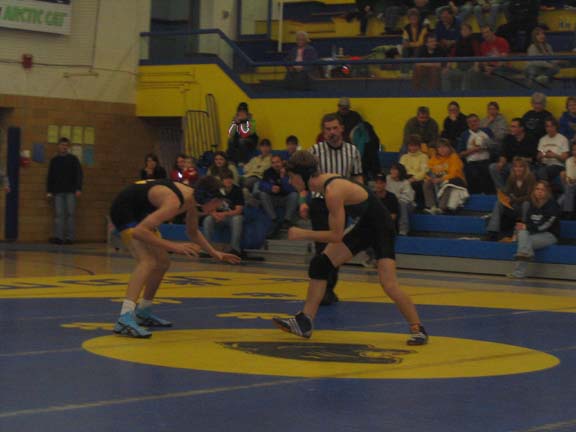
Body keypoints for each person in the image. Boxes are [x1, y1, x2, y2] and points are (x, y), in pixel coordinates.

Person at [272, 151, 428, 345]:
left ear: (301, 176)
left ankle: (418, 329)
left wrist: (303, 234)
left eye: (291, 176)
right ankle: (304, 321)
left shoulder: (332, 192)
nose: (289, 181)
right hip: (365, 226)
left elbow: (335, 236)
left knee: (389, 284)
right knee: (320, 264)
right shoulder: (324, 184)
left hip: (382, 229)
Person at [109, 176, 240, 338]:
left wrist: (214, 253)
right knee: (148, 261)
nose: (219, 207)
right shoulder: (174, 202)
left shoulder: (192, 198)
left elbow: (192, 232)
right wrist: (174, 246)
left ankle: (143, 311)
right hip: (125, 212)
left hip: (140, 212)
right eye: (217, 202)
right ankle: (125, 317)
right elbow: (139, 232)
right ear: (208, 199)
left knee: (163, 262)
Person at [300, 113, 363, 306]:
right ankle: (322, 289)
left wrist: (360, 204)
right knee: (322, 249)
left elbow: (358, 179)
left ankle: (329, 288)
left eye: (335, 128)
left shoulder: (352, 151)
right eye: (327, 129)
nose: (332, 132)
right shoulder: (315, 151)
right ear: (323, 131)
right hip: (320, 204)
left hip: (341, 205)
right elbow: (303, 179)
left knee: (335, 249)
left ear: (342, 128)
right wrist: (303, 201)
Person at [508, 180, 560, 279]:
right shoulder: (531, 204)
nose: (539, 191)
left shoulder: (553, 205)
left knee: (524, 242)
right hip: (534, 234)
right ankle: (526, 254)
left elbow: (545, 226)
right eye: (537, 189)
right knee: (522, 233)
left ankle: (518, 272)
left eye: (543, 190)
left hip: (549, 235)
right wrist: (521, 227)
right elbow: (528, 223)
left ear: (547, 192)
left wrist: (527, 227)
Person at [484, 158, 535, 241]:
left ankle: (524, 230)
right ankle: (492, 231)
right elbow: (507, 192)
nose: (518, 169)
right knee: (499, 203)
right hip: (514, 207)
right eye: (516, 167)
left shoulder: (530, 177)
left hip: (526, 208)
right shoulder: (511, 178)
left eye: (520, 167)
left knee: (526, 203)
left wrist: (515, 200)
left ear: (525, 168)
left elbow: (530, 196)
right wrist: (505, 196)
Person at [46, 137, 83, 245]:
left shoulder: (73, 159)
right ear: (58, 146)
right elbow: (50, 176)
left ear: (68, 147)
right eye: (62, 145)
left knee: (70, 214)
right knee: (59, 215)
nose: (64, 147)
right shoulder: (54, 160)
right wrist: (49, 191)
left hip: (71, 191)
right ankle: (59, 237)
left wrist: (78, 188)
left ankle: (70, 238)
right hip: (58, 192)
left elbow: (79, 174)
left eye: (66, 145)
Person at [203, 170, 245, 257]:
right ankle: (207, 249)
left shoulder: (237, 190)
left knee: (237, 219)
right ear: (221, 181)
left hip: (231, 217)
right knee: (208, 220)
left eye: (230, 179)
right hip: (219, 217)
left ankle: (235, 249)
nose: (228, 181)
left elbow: (239, 210)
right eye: (226, 179)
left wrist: (224, 214)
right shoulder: (216, 190)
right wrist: (215, 215)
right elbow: (209, 208)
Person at [489, 118, 539, 190]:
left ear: (521, 128)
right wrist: (501, 163)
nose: (511, 129)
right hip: (510, 164)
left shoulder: (530, 138)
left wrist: (521, 160)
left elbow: (534, 158)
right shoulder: (508, 138)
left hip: (526, 165)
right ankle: (503, 191)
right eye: (511, 126)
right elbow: (503, 154)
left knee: (516, 168)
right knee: (493, 167)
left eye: (513, 127)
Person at [258, 154, 299, 237]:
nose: (275, 164)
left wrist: (283, 178)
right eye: (273, 163)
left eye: (277, 162)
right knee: (262, 194)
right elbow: (261, 185)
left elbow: (293, 188)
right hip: (273, 198)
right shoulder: (268, 172)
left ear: (282, 162)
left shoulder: (290, 172)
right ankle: (274, 220)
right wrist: (271, 188)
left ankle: (287, 221)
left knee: (294, 195)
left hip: (285, 199)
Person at [424, 139, 468, 214]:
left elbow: (454, 174)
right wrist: (430, 179)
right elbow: (427, 171)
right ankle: (432, 207)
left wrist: (441, 179)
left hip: (455, 180)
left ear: (449, 148)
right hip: (439, 179)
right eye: (439, 147)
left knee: (448, 184)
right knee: (427, 183)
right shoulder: (434, 158)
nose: (442, 149)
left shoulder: (454, 157)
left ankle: (441, 208)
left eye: (444, 147)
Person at [457, 113, 495, 194]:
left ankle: (490, 197)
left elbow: (495, 146)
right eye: (470, 122)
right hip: (472, 163)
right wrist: (472, 150)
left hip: (486, 161)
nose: (473, 124)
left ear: (479, 122)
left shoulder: (487, 131)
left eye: (475, 121)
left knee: (488, 173)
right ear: (467, 124)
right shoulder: (464, 135)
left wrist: (485, 147)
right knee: (473, 174)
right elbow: (460, 154)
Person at [442, 23, 480, 91]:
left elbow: (477, 55)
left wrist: (476, 66)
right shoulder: (458, 42)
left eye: (466, 29)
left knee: (466, 76)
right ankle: (447, 95)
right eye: (462, 30)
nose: (463, 31)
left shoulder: (474, 41)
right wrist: (447, 67)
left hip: (471, 68)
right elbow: (451, 56)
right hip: (459, 68)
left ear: (470, 31)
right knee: (445, 74)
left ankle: (464, 96)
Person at [399, 135, 429, 208]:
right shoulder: (404, 157)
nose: (413, 148)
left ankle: (418, 205)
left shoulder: (424, 157)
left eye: (415, 146)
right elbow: (400, 170)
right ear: (408, 146)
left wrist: (414, 178)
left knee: (415, 185)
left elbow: (424, 171)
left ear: (419, 146)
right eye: (411, 146)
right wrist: (407, 179)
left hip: (418, 180)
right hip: (406, 178)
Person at [536, 117, 569, 182]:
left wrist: (554, 155)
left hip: (557, 165)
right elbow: (538, 157)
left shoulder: (563, 139)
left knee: (543, 171)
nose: (549, 128)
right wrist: (542, 155)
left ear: (556, 127)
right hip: (544, 164)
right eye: (547, 126)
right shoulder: (542, 139)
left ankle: (544, 186)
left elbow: (564, 159)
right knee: (535, 171)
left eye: (552, 126)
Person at [386, 163, 416, 235]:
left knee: (402, 203)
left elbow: (409, 197)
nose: (392, 171)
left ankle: (403, 229)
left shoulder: (405, 182)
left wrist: (396, 197)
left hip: (406, 204)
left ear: (400, 171)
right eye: (392, 169)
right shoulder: (387, 179)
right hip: (391, 202)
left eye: (395, 169)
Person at [560, 143, 576, 219]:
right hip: (569, 184)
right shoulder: (569, 160)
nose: (575, 152)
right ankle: (567, 213)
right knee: (563, 174)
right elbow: (569, 175)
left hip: (572, 185)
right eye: (573, 150)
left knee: (563, 197)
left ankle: (567, 212)